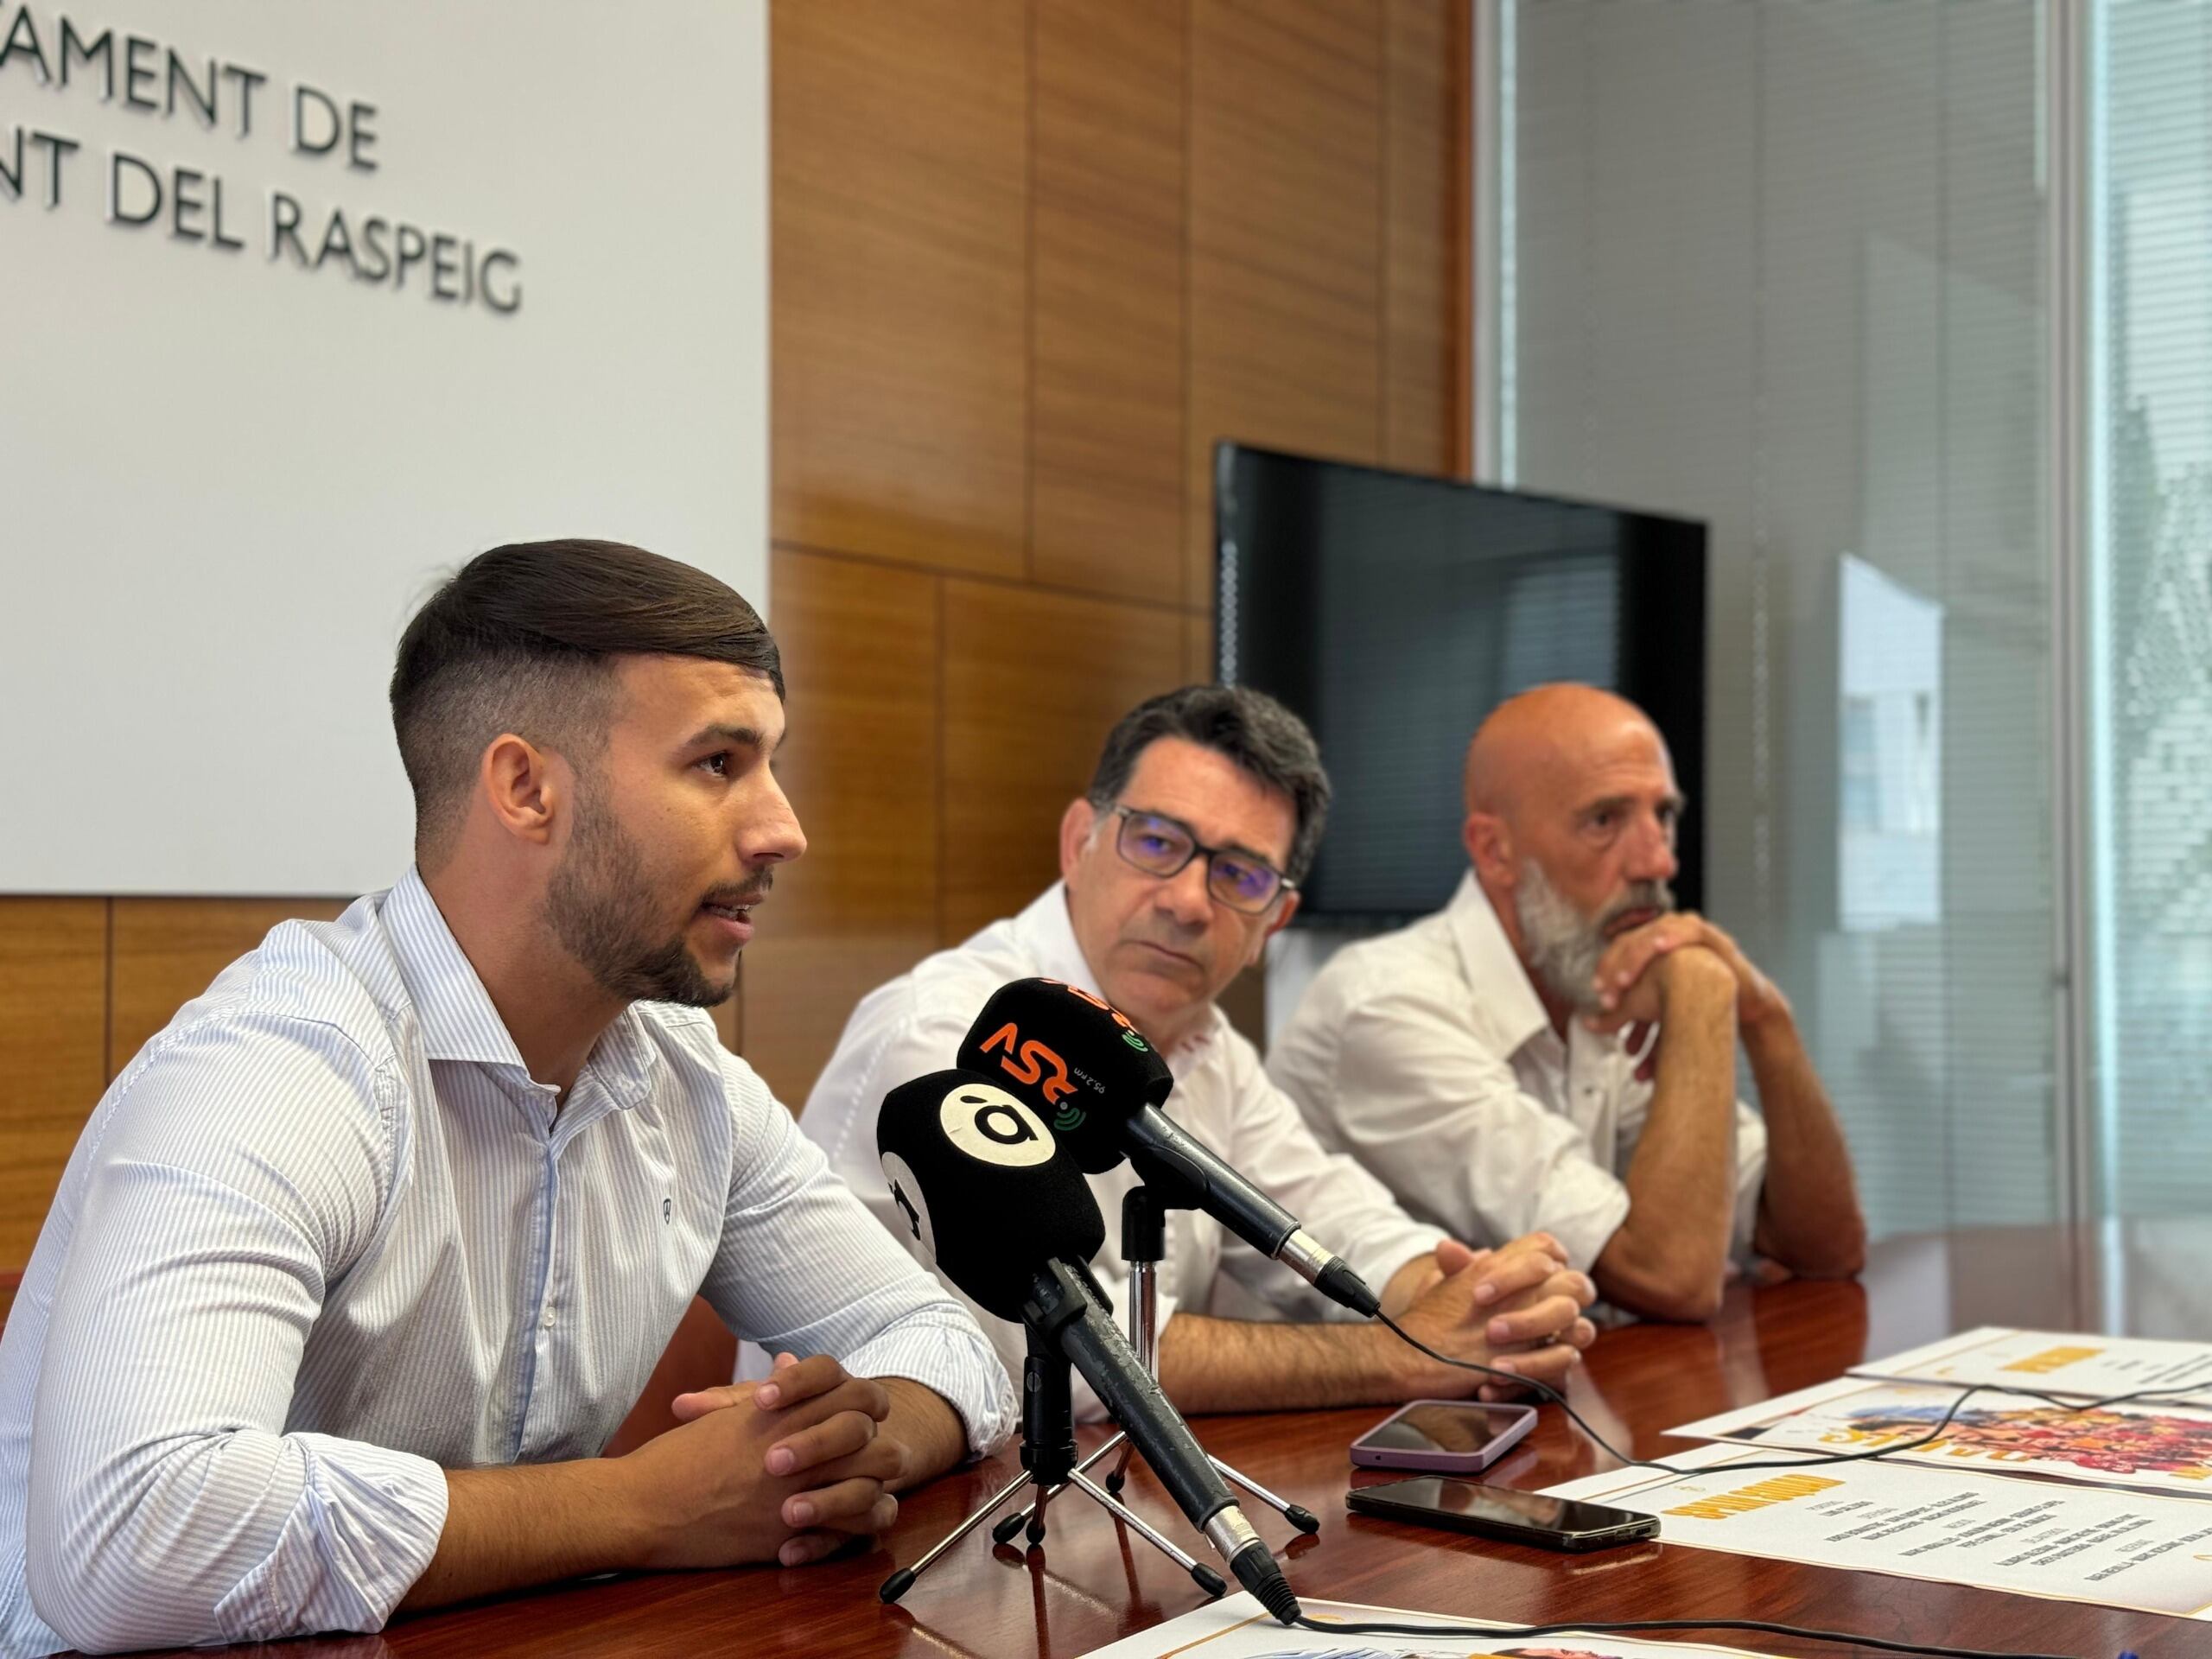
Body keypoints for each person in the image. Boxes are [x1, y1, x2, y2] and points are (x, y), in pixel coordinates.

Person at [0, 541, 1014, 1656]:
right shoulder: (280, 1067)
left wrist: (846, 1451)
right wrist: (647, 1506)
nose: (783, 828)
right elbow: (129, 1541)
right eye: (718, 763)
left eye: (769, 762)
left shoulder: (682, 1075)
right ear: (526, 788)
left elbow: (936, 1338)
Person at [802, 685, 1596, 1421]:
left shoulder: (1201, 1043)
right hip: (873, 1524)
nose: (1187, 902)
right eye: (1156, 841)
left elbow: (1332, 1213)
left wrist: (1477, 1301)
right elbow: (1066, 1353)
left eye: (1240, 876)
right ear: (1080, 841)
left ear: (1272, 924)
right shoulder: (951, 1034)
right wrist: (1403, 1357)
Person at [1270, 683, 1866, 1324]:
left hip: (1523, 1402)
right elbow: (1670, 1275)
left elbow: (1823, 1248)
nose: (1658, 861)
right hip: (1342, 1419)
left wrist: (1766, 1020)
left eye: (1662, 816)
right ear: (1497, 851)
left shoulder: (1591, 982)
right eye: (1605, 820)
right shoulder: (1387, 1005)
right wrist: (1701, 986)